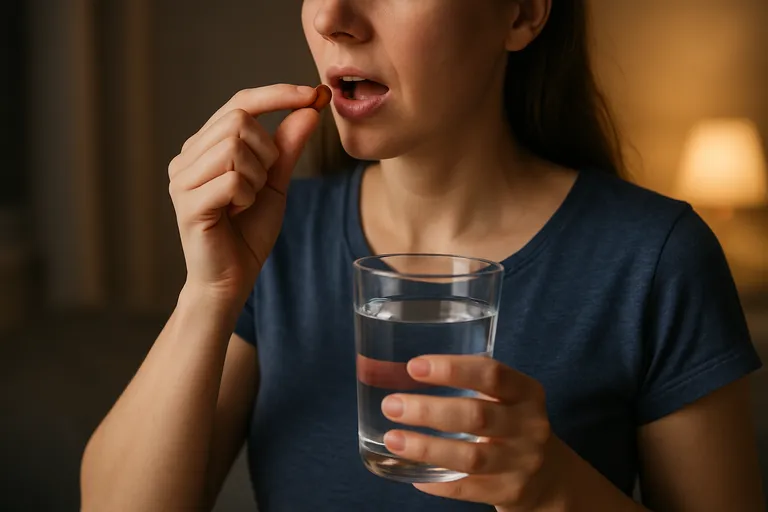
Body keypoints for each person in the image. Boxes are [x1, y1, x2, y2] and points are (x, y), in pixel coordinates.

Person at [80, 1, 765, 510]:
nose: (333, 18)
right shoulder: (275, 235)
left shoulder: (655, 257)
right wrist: (208, 292)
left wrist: (558, 490)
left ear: (522, 14)